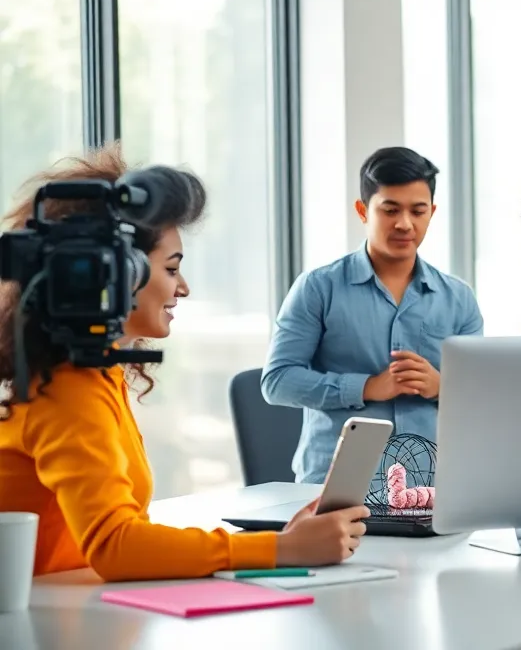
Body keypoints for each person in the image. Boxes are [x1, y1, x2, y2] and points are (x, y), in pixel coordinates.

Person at [0, 146, 368, 582]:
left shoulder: (97, 377)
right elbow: (115, 546)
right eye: (172, 269)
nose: (185, 288)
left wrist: (279, 543)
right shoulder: (69, 390)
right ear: (122, 273)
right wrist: (280, 548)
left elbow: (122, 536)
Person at [263, 147, 483, 483]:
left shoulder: (459, 297)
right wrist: (367, 387)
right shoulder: (318, 288)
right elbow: (277, 382)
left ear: (432, 212)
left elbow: (479, 396)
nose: (404, 223)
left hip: (431, 486)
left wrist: (441, 386)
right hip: (335, 483)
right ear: (363, 210)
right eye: (390, 209)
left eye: (418, 210)